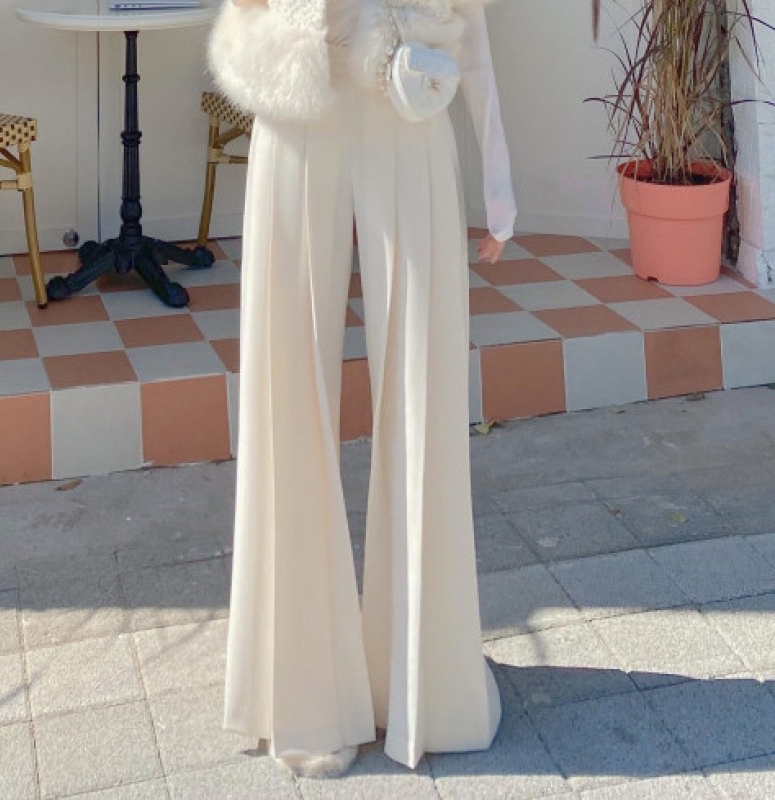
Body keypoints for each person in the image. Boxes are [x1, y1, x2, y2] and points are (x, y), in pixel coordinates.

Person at [209, 0, 517, 778]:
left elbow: (472, 29)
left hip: (407, 106)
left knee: (423, 393)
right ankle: (302, 692)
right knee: (287, 395)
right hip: (297, 104)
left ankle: (427, 684)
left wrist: (499, 182)